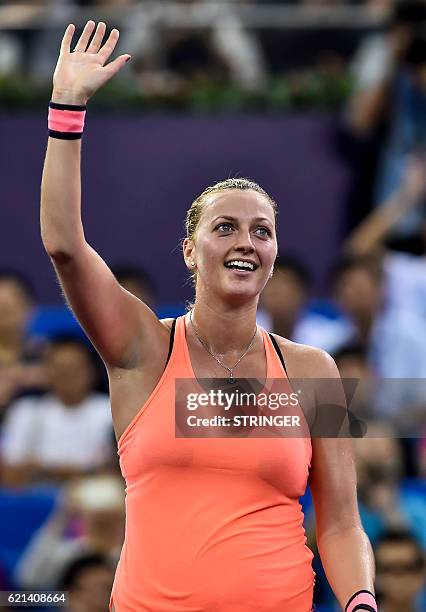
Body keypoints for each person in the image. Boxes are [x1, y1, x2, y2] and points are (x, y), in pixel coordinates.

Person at [40, 20, 376, 611]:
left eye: (262, 231)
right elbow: (65, 243)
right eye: (226, 227)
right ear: (191, 251)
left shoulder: (313, 372)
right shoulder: (141, 347)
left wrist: (361, 602)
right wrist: (67, 109)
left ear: (273, 256)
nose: (246, 241)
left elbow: (342, 524)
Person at [1, 337, 114, 486]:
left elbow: (110, 471)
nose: (67, 376)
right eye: (60, 369)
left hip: (90, 494)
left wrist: (45, 469)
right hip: (34, 493)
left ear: (91, 371)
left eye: (74, 369)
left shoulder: (108, 411)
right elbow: (10, 471)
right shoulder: (26, 410)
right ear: (47, 372)